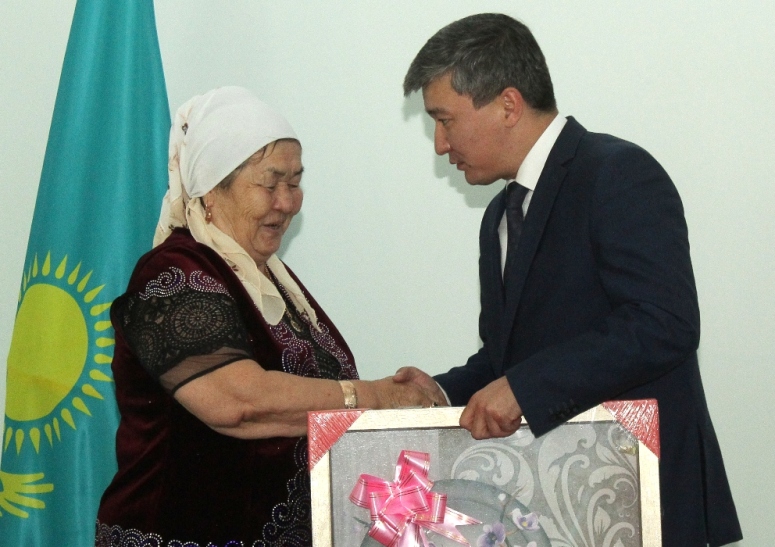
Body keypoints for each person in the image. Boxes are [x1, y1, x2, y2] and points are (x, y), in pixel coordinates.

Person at [395, 13, 742, 547]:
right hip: (565, 513)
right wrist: (440, 392)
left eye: (445, 120)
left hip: (650, 502)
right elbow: (511, 357)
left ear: (508, 105)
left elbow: (664, 323)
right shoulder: (499, 216)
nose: (441, 144)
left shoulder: (617, 172)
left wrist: (524, 389)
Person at [94, 86, 436, 547]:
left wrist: (399, 401)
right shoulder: (174, 275)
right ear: (211, 190)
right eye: (270, 184)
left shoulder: (272, 281)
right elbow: (236, 402)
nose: (288, 202)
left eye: (294, 183)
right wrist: (372, 397)